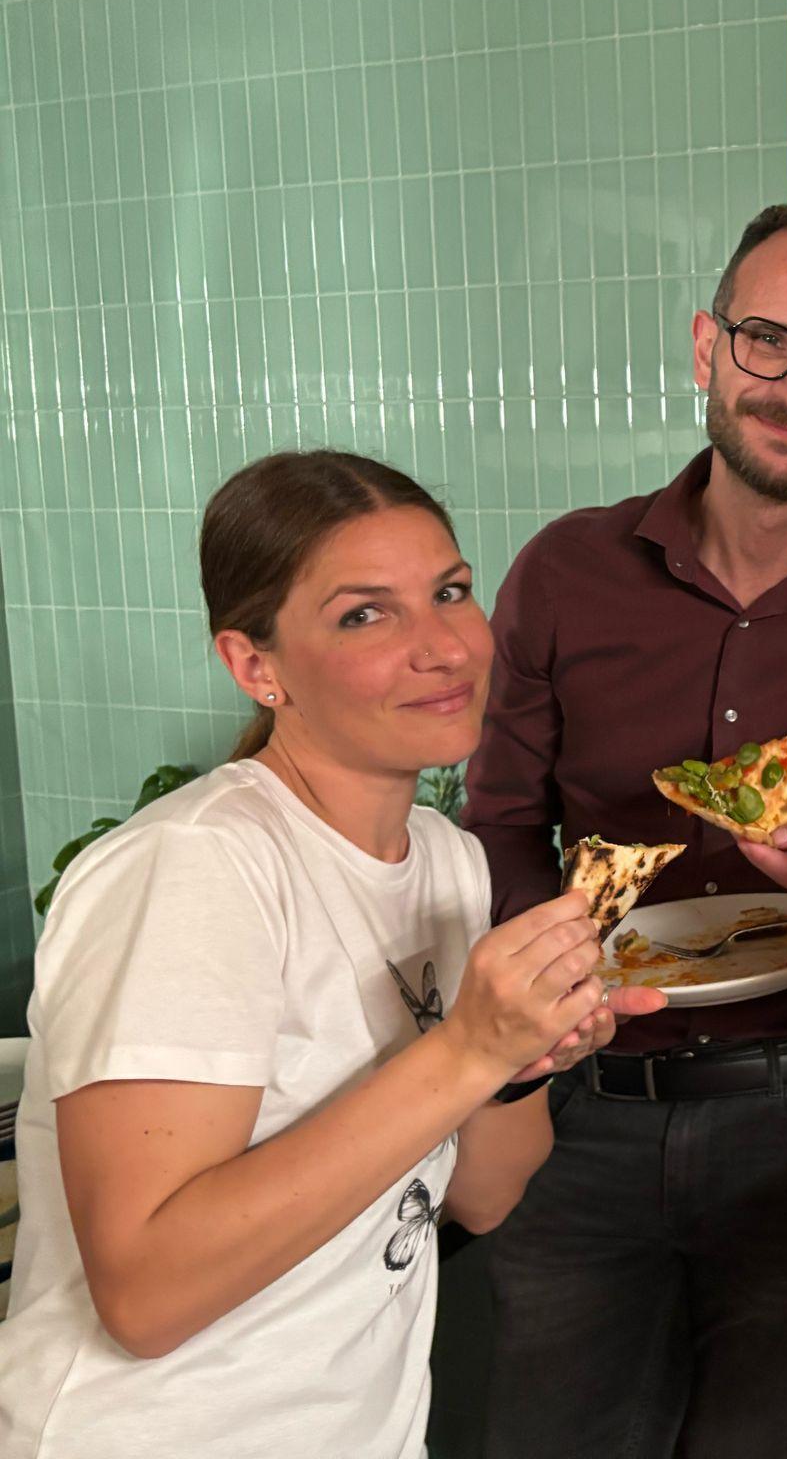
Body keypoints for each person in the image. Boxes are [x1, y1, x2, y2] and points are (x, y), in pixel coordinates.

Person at [0, 452, 658, 1459]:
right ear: (255, 665)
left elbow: (483, 1193)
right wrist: (466, 1052)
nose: (442, 647)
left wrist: (523, 1061)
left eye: (450, 592)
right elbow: (144, 1295)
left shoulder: (444, 862)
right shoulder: (195, 870)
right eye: (365, 614)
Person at [464, 197, 787, 1459]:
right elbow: (495, 826)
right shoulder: (564, 570)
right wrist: (533, 1032)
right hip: (578, 1099)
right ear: (706, 347)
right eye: (769, 341)